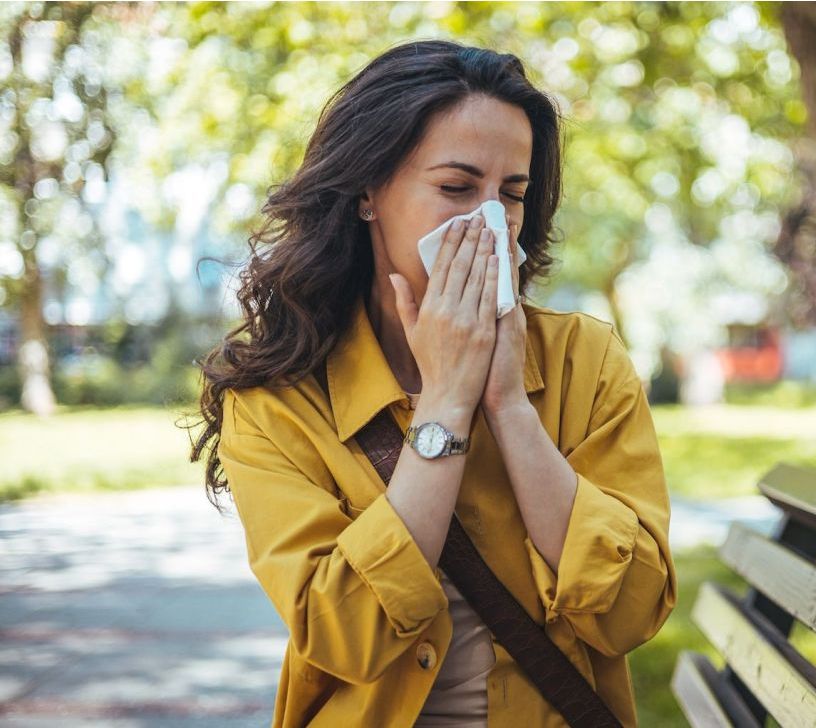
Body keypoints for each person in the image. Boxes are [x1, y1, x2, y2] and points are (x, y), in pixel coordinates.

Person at [189, 39, 676, 727]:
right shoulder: (276, 400)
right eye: (456, 188)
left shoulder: (585, 361)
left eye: (512, 195)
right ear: (367, 193)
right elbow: (341, 633)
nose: (491, 222)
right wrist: (445, 403)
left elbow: (631, 611)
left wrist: (508, 405)